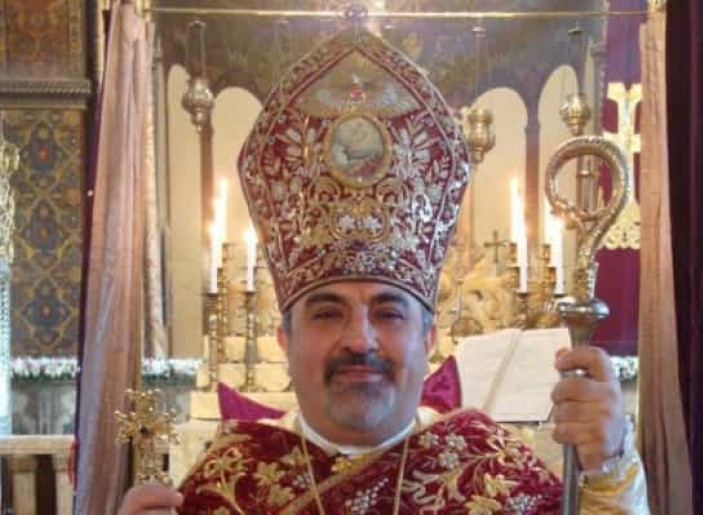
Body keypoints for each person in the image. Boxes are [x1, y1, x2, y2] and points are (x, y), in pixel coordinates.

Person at [119, 26, 648, 514]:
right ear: (284, 339)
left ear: (429, 339)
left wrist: (610, 472)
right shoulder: (223, 489)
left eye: (389, 313)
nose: (360, 339)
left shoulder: (498, 478)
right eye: (327, 313)